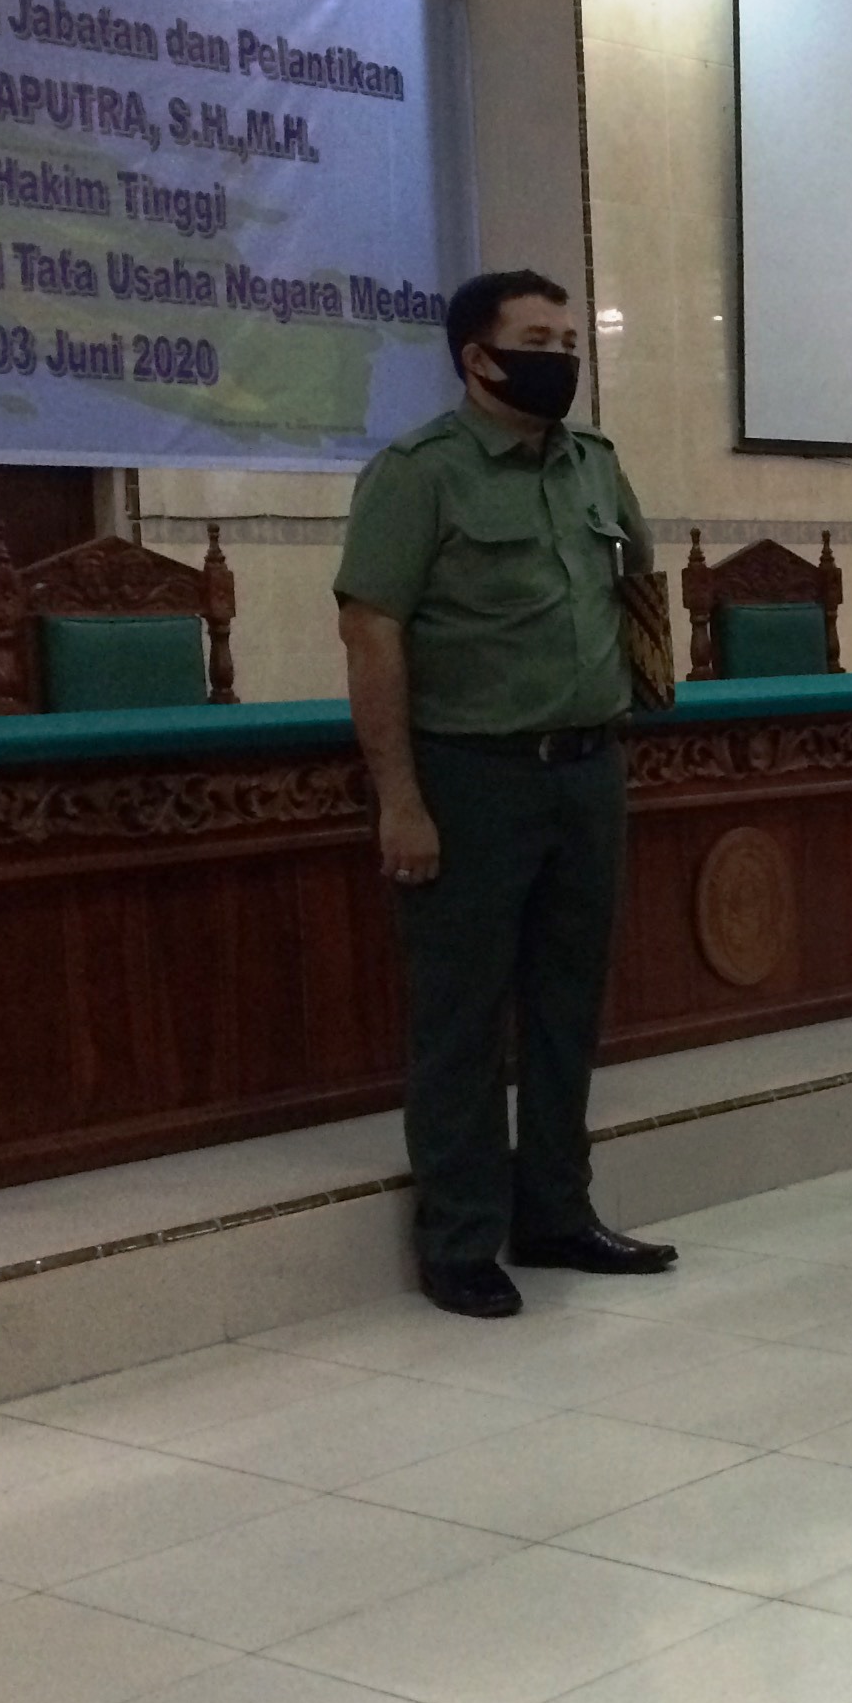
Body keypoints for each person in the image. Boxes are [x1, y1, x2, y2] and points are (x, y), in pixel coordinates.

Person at [334, 269, 681, 1321]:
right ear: (477, 358)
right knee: (464, 1015)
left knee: (570, 1004)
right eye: (538, 340)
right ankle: (460, 1238)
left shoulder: (593, 464)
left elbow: (636, 590)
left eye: (569, 341)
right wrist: (400, 798)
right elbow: (371, 632)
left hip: (588, 770)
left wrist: (641, 711)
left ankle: (557, 1213)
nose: (560, 358)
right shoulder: (420, 473)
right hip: (471, 775)